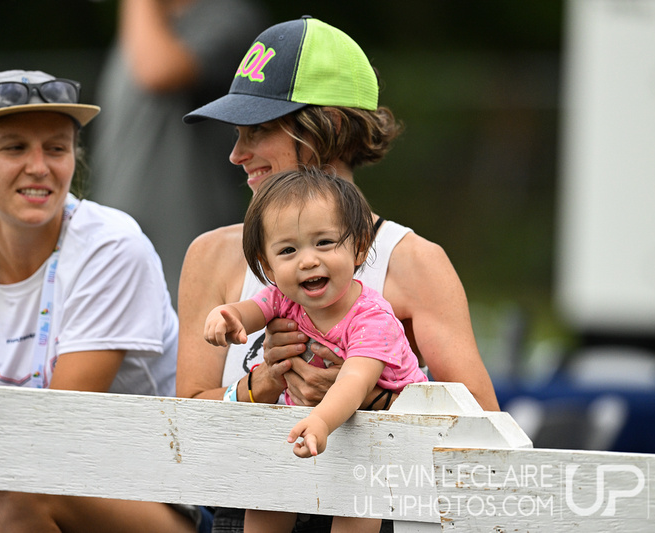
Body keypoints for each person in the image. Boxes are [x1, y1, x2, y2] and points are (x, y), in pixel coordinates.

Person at [178, 16, 500, 531]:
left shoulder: (414, 259)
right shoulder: (210, 254)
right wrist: (264, 383)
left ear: (324, 130)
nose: (236, 155)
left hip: (367, 509)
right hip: (248, 507)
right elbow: (187, 421)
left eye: (257, 131)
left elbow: (484, 432)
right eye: (237, 135)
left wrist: (370, 399)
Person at [0, 69, 207, 533]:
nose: (40, 166)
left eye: (57, 148)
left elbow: (54, 432)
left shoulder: (111, 247)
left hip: (172, 502)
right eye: (14, 148)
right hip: (56, 484)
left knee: (19, 487)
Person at [204, 168, 428, 533]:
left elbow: (354, 381)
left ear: (359, 247)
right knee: (269, 497)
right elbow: (249, 311)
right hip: (311, 427)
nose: (307, 260)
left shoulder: (372, 318)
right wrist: (227, 316)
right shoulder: (283, 298)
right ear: (268, 266)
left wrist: (321, 421)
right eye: (288, 250)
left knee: (357, 506)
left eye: (324, 243)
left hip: (380, 438)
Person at [89, 0, 267, 305]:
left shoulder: (228, 18)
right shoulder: (143, 31)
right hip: (122, 246)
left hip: (185, 246)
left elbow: (158, 72)